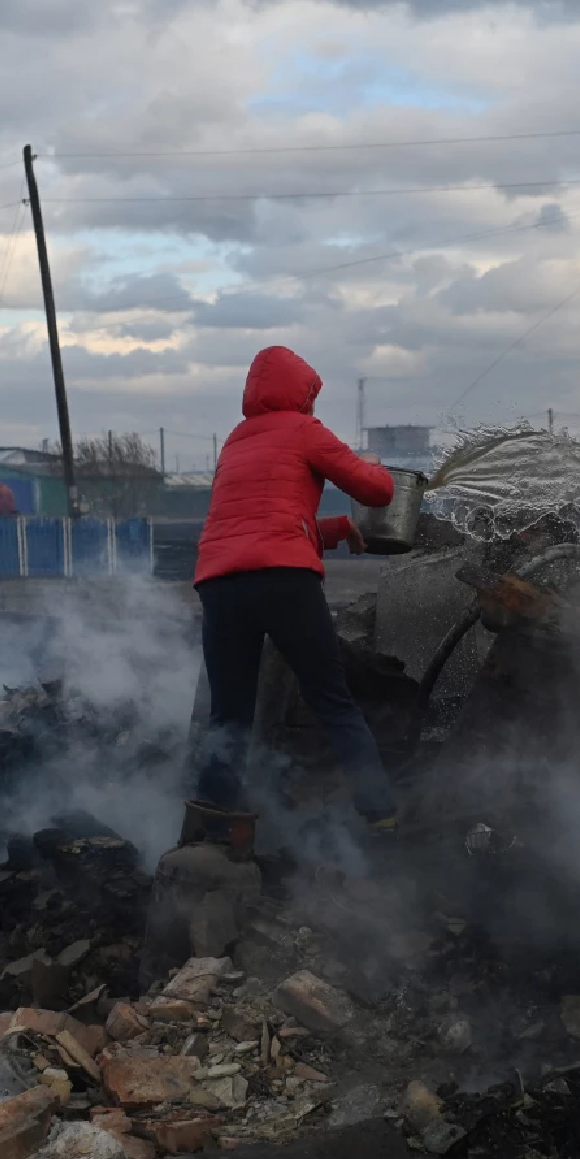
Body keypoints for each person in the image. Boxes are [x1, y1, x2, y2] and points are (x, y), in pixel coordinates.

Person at [191, 345, 399, 833]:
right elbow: (378, 491)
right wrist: (373, 462)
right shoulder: (305, 429)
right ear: (302, 393)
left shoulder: (236, 441)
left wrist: (336, 529)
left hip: (220, 586)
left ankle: (208, 833)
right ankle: (381, 818)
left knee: (228, 718)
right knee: (332, 700)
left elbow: (258, 526)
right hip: (284, 584)